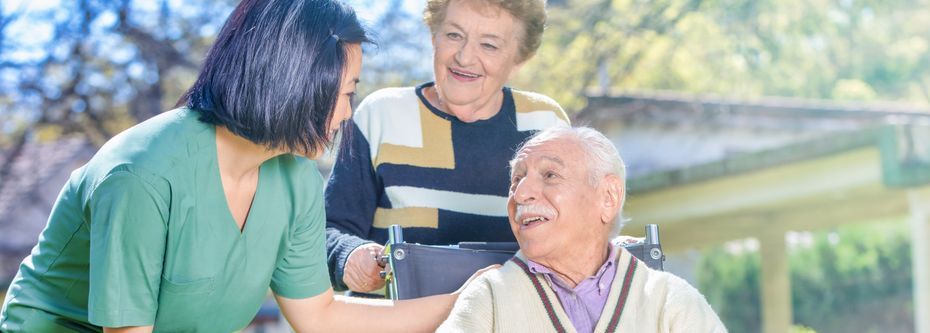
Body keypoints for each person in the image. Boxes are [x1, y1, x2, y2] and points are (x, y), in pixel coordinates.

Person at [0, 1, 487, 332]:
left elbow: (319, 316)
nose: (347, 114)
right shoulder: (142, 175)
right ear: (294, 86)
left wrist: (473, 299)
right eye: (344, 94)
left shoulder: (293, 175)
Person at [325, 0, 570, 295]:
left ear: (518, 60)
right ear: (433, 37)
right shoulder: (381, 115)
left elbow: (574, 238)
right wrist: (350, 256)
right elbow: (326, 231)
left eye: (489, 45)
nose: (465, 57)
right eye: (454, 35)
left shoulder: (545, 124)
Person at [437, 126, 728, 333]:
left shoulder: (670, 302)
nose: (520, 194)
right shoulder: (489, 299)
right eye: (516, 180)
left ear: (607, 197)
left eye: (550, 175)